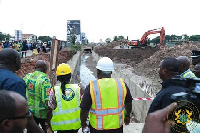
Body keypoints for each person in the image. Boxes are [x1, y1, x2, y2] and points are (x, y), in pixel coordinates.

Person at [80, 57, 132, 133]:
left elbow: (84, 110)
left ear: (98, 72)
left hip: (97, 129)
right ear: (111, 72)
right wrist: (127, 115)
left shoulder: (92, 87)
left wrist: (84, 125)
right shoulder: (121, 84)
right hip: (117, 128)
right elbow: (129, 103)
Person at [47, 63, 83, 133]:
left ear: (58, 78)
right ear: (70, 76)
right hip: (75, 126)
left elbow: (49, 109)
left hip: (60, 127)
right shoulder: (77, 88)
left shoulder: (54, 90)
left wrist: (48, 124)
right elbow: (84, 105)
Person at [23, 60, 52, 133]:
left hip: (30, 111)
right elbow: (47, 100)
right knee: (46, 130)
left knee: (31, 130)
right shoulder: (45, 80)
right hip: (42, 113)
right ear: (46, 69)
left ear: (35, 67)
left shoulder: (27, 77)